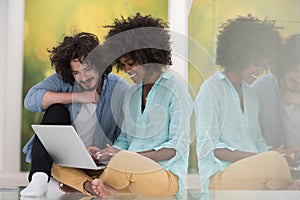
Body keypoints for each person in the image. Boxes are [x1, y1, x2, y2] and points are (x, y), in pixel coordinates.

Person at [52, 13, 193, 198]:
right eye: (123, 64)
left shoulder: (176, 88)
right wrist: (106, 153)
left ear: (148, 56)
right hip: (126, 175)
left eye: (131, 63)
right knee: (58, 163)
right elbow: (125, 139)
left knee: (124, 161)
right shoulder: (132, 94)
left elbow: (175, 148)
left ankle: (92, 186)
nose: (126, 70)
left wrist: (128, 157)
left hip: (164, 178)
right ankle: (91, 186)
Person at [195, 14, 300, 193]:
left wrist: (279, 152)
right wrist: (263, 157)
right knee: (274, 163)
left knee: (279, 163)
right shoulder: (211, 89)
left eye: (264, 65)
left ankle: (284, 187)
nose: (259, 70)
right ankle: (284, 187)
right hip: (219, 178)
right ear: (240, 56)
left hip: (253, 175)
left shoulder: (251, 94)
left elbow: (257, 140)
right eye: (256, 64)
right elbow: (210, 148)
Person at [20, 32, 129, 197]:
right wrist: (77, 97)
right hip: (62, 158)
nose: (83, 78)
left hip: (97, 161)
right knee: (56, 109)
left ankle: (82, 183)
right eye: (76, 73)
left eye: (87, 70)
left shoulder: (119, 88)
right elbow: (31, 100)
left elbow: (128, 134)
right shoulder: (64, 81)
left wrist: (102, 153)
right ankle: (39, 178)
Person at [252, 34, 300, 151]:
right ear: (284, 66)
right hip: (270, 163)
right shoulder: (260, 90)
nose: (299, 78)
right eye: (295, 70)